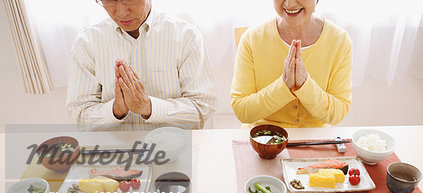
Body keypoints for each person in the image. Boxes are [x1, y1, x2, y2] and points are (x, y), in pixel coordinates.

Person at [66, 0, 217, 130]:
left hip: (173, 149)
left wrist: (148, 107)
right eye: (110, 0)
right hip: (114, 154)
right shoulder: (86, 43)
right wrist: (115, 110)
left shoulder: (186, 37)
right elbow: (79, 115)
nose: (122, 12)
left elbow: (201, 110)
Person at [231, 0, 352, 128]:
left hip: (315, 140)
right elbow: (241, 109)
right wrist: (283, 86)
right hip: (262, 140)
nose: (289, 4)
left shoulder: (339, 41)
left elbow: (339, 111)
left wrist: (305, 85)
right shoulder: (251, 39)